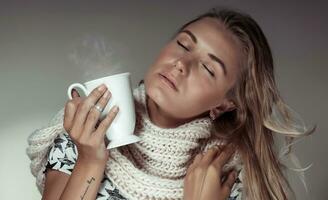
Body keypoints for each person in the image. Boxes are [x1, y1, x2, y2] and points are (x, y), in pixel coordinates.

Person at [26, 7, 315, 200]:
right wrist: (90, 158)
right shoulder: (85, 128)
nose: (181, 63)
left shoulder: (227, 172)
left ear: (225, 104)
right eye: (184, 44)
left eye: (208, 68)